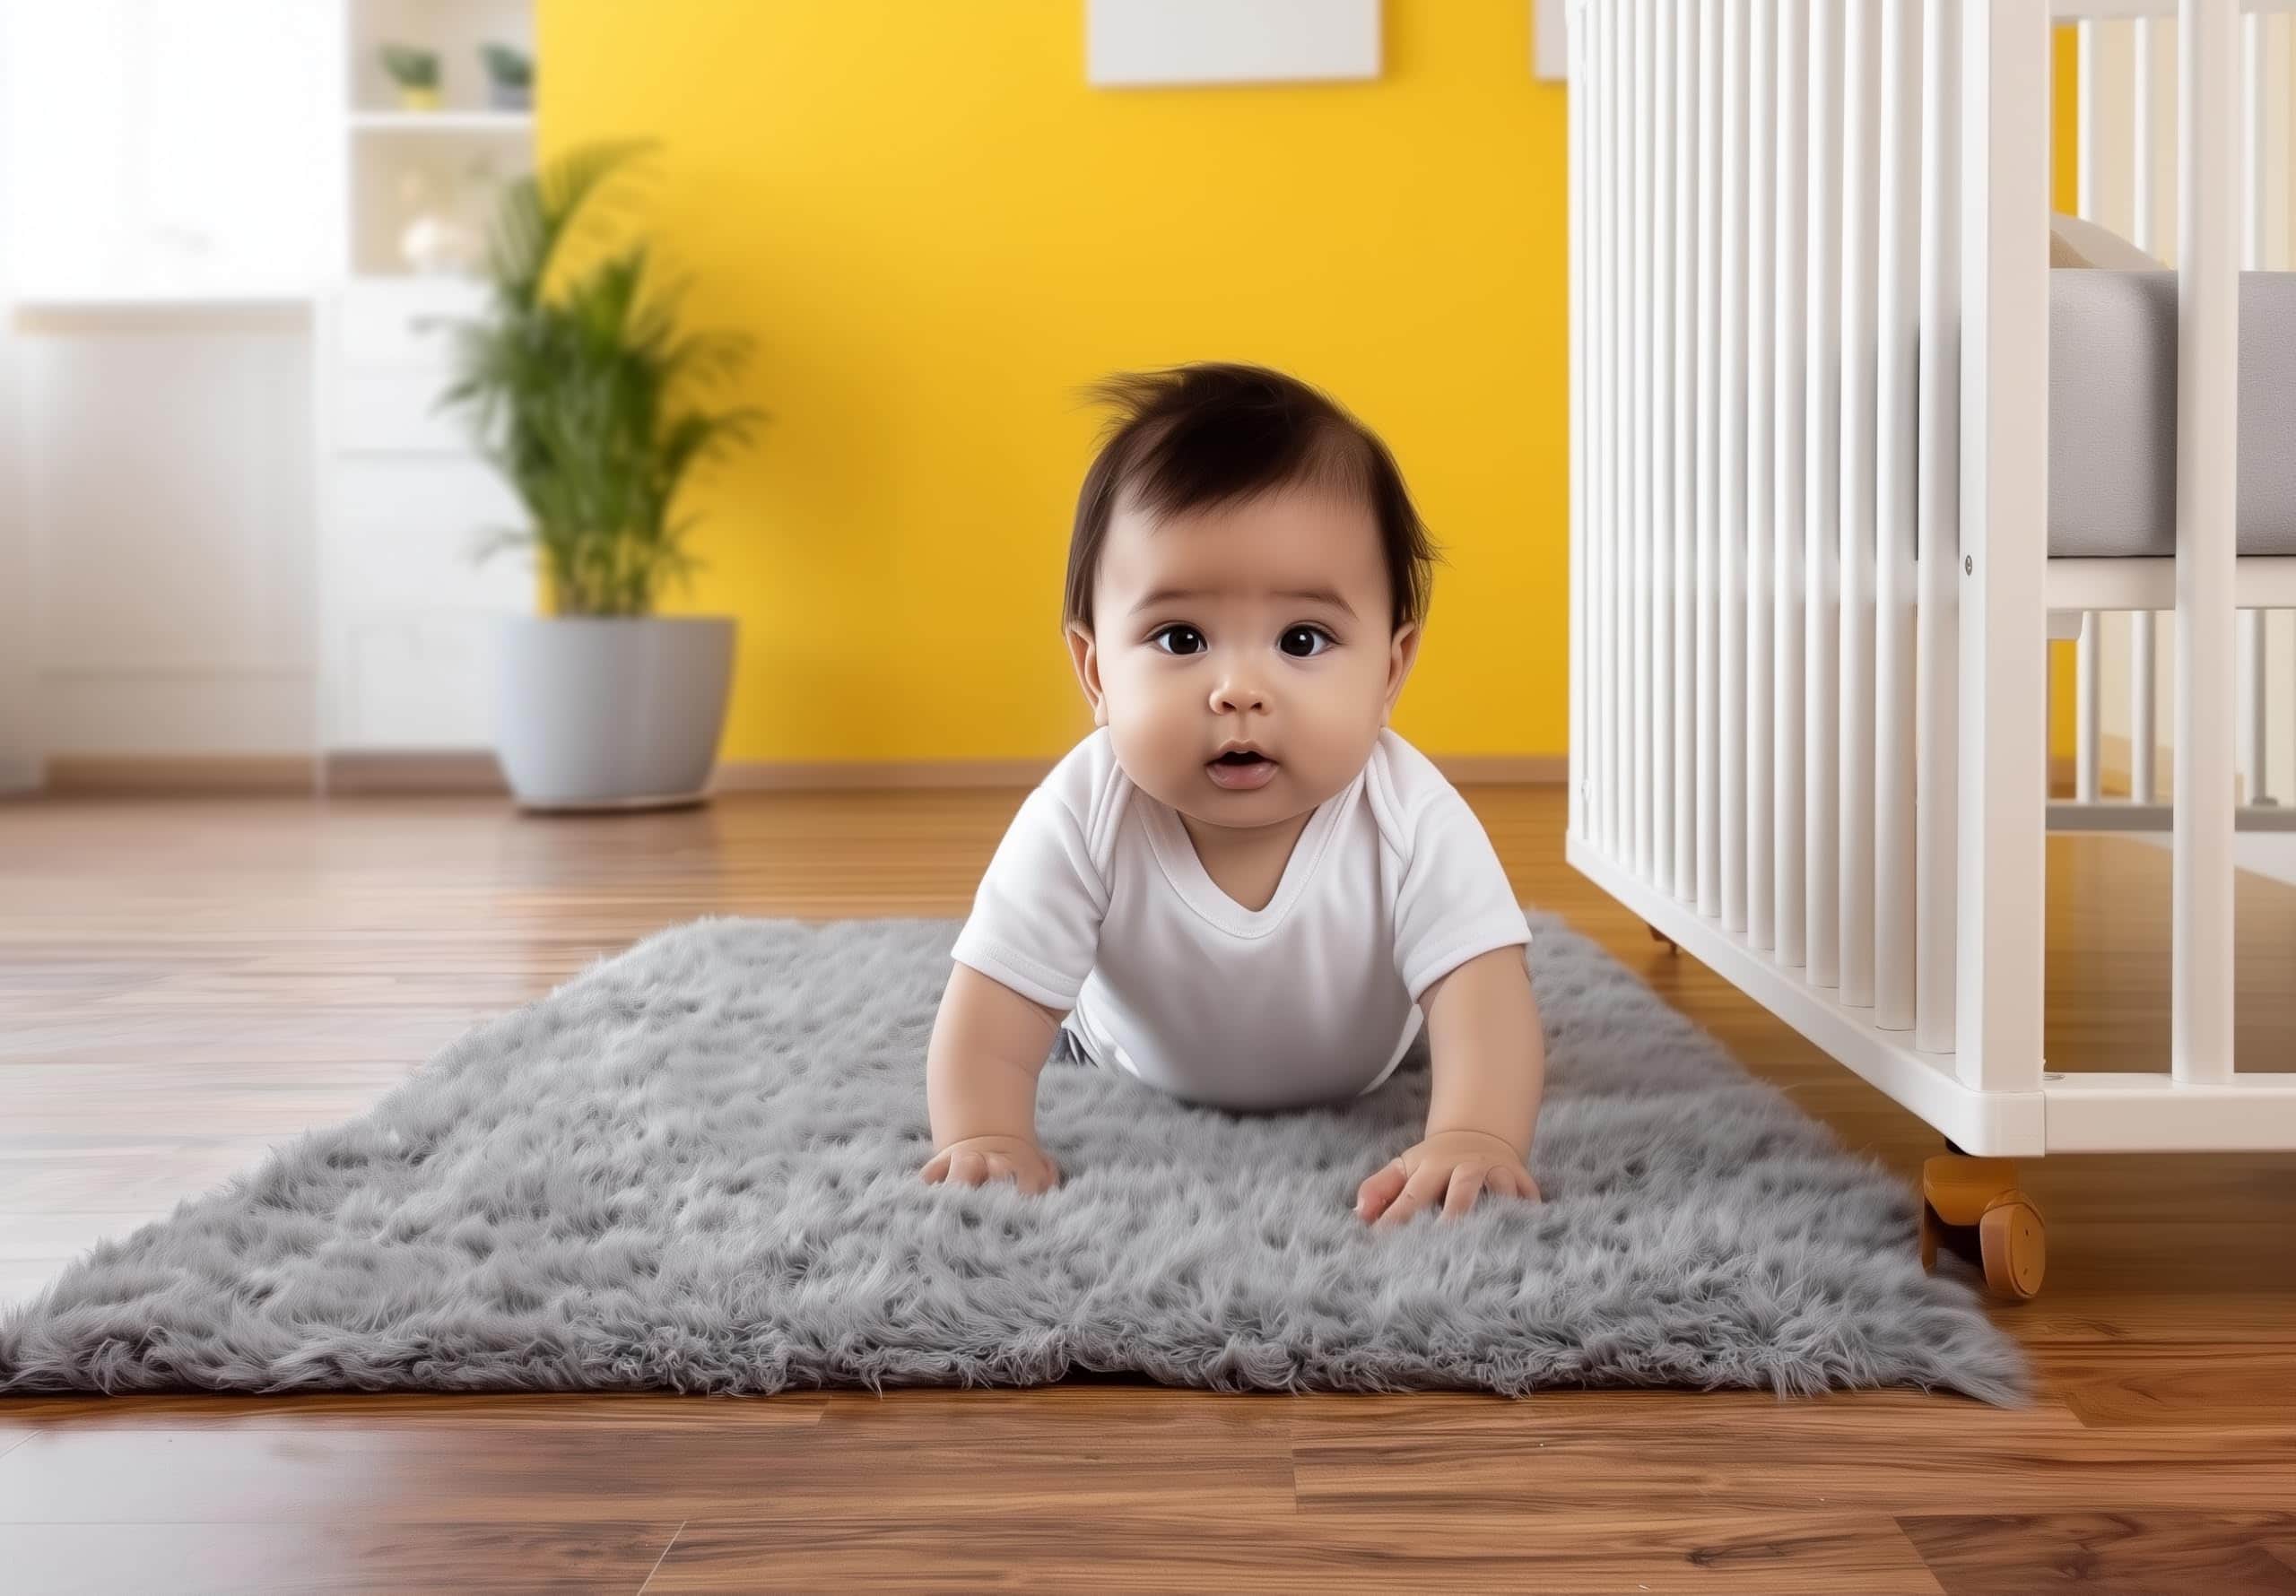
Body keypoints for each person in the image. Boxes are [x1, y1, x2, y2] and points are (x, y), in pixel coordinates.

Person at [919, 361, 1544, 1227]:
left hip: (1366, 1064)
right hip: (1127, 1056)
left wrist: (1477, 1132)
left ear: (1390, 668)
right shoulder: (1084, 810)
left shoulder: (1410, 812)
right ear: (1096, 669)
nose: (1239, 689)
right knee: (1041, 1016)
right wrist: (986, 1132)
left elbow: (1486, 994)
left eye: (1301, 638)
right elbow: (993, 1003)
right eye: (1181, 638)